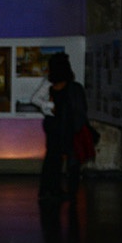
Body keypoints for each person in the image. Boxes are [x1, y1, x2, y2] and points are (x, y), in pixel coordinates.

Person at [34, 51, 88, 201]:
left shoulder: (51, 85)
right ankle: (57, 189)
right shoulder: (71, 87)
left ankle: (48, 189)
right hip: (65, 125)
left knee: (52, 157)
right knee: (63, 158)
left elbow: (36, 99)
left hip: (52, 124)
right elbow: (78, 109)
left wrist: (49, 106)